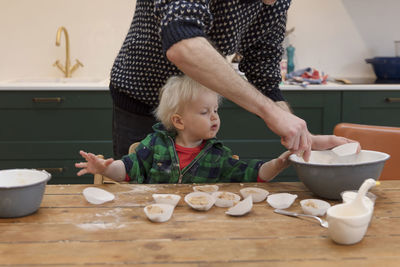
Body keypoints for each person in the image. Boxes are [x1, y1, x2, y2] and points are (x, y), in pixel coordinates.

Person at [109, 0, 354, 162]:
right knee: (139, 198)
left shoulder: (275, 4)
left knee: (192, 196)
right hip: (141, 99)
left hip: (197, 112)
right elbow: (182, 43)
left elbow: (264, 73)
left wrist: (301, 135)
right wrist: (269, 111)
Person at [76, 75, 291, 183]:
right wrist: (105, 169)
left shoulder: (218, 155)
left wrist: (277, 164)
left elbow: (251, 173)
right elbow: (127, 169)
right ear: (179, 121)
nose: (215, 116)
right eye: (205, 112)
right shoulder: (154, 145)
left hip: (201, 227)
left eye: (216, 110)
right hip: (157, 222)